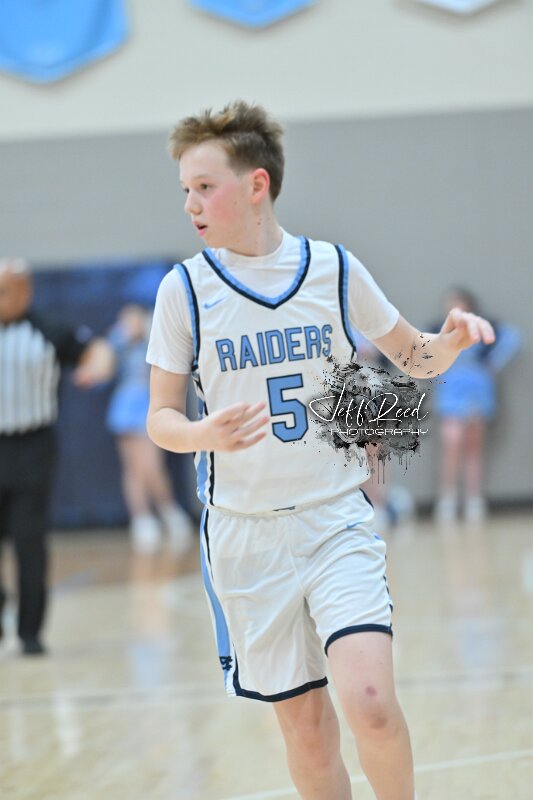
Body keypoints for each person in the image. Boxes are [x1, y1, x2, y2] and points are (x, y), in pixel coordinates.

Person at [145, 101, 495, 800]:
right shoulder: (183, 290)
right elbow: (160, 418)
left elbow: (415, 357)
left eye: (204, 186)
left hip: (334, 518)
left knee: (370, 702)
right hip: (245, 535)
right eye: (184, 188)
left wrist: (451, 341)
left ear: (256, 185)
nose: (190, 204)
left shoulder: (332, 269)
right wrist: (200, 434)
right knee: (306, 731)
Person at [0, 257, 113, 655]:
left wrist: (97, 368)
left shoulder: (47, 330)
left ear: (25, 291)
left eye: (5, 291)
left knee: (29, 541)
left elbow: (96, 349)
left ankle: (30, 632)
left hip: (32, 447)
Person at [105, 303, 195, 554]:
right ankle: (141, 518)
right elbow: (106, 365)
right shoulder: (119, 343)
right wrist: (120, 337)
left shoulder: (152, 339)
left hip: (148, 403)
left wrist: (144, 330)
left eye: (134, 319)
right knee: (132, 468)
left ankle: (168, 510)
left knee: (152, 465)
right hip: (125, 405)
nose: (130, 324)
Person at [432, 287, 520, 522]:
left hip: (477, 392)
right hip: (451, 392)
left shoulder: (483, 329)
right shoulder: (438, 330)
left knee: (473, 448)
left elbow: (512, 337)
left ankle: (474, 499)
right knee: (451, 442)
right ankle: (447, 499)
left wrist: (493, 363)